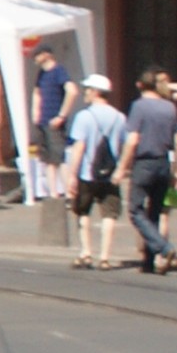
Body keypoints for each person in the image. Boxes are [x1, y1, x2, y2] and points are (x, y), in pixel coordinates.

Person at [67, 73, 131, 269]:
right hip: (110, 174)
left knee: (83, 211)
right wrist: (121, 169)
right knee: (109, 214)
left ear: (95, 92)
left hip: (87, 173)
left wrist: (71, 174)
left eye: (87, 89)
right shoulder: (120, 117)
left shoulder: (84, 117)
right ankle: (105, 257)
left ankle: (86, 253)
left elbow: (79, 147)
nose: (85, 93)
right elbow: (124, 145)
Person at [125, 72, 177, 274]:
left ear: (139, 85)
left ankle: (164, 248)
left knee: (135, 210)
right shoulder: (169, 107)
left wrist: (123, 166)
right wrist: (175, 169)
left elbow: (133, 139)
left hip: (144, 163)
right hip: (163, 163)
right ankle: (149, 261)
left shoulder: (139, 106)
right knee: (155, 213)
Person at [32, 50, 74, 201]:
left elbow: (72, 91)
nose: (35, 58)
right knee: (48, 159)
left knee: (60, 158)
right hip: (43, 121)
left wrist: (62, 115)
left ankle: (69, 193)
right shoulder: (41, 74)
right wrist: (35, 112)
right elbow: (37, 92)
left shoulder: (59, 71)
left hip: (54, 122)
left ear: (46, 55)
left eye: (37, 55)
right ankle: (53, 193)